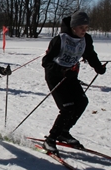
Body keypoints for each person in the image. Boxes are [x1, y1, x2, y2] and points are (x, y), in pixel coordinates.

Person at [41, 11, 106, 155]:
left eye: (86, 27)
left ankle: (64, 132)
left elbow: (90, 55)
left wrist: (98, 67)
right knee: (67, 108)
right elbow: (46, 62)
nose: (84, 30)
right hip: (55, 76)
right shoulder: (59, 40)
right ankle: (50, 140)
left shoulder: (86, 39)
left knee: (82, 102)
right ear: (73, 27)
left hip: (70, 76)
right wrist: (61, 71)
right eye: (81, 27)